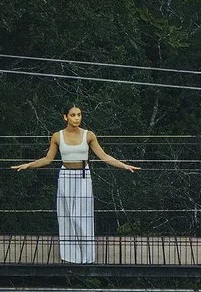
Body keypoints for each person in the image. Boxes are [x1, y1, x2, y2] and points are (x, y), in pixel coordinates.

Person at [12, 105, 139, 263]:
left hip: (83, 177)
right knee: (67, 215)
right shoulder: (57, 136)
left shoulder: (88, 135)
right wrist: (28, 165)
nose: (77, 118)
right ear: (65, 117)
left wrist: (124, 165)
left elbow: (104, 156)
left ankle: (86, 256)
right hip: (66, 176)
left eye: (79, 115)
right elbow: (48, 159)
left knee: (82, 216)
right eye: (73, 115)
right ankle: (70, 255)